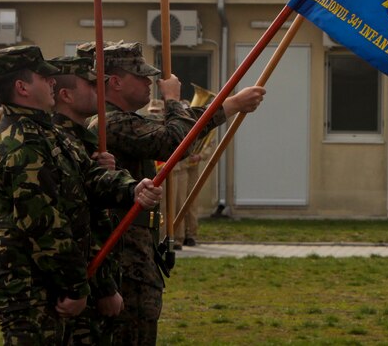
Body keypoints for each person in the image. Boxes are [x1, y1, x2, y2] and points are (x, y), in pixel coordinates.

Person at [84, 40, 266, 345]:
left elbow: (180, 130)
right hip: (122, 258)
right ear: (115, 82)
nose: (149, 83)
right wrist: (172, 100)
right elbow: (173, 141)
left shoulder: (124, 120)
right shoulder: (108, 124)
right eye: (141, 76)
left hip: (134, 254)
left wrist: (231, 105)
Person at [0, 45, 162, 345]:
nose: (52, 82)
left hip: (57, 283)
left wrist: (131, 188)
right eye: (44, 78)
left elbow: (89, 177)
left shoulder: (48, 134)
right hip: (32, 287)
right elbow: (46, 227)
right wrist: (78, 288)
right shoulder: (21, 145)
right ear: (22, 87)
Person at [51, 55, 124, 345]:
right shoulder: (60, 141)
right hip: (77, 281)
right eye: (91, 85)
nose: (99, 91)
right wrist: (104, 286)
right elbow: (83, 220)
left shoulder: (82, 140)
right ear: (66, 95)